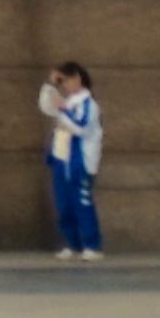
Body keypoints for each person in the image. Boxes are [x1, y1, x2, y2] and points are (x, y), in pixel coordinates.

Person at [40, 61, 104, 259]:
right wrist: (51, 85)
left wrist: (64, 111)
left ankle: (91, 245)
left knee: (82, 203)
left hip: (79, 161)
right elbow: (45, 105)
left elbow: (81, 127)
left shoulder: (89, 105)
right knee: (63, 205)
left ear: (77, 78)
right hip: (61, 158)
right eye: (62, 82)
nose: (65, 85)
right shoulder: (68, 102)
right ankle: (72, 243)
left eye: (66, 80)